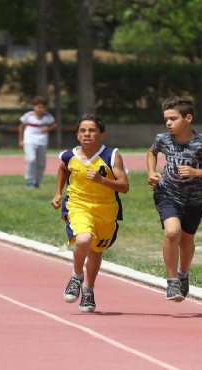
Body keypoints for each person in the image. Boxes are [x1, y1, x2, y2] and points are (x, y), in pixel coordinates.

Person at [147, 96, 202, 302]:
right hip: (167, 193)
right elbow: (152, 152)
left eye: (173, 119)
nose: (168, 123)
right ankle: (172, 280)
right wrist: (151, 171)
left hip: (196, 199)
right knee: (172, 232)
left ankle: (183, 274)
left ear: (188, 118)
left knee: (186, 241)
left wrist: (196, 172)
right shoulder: (163, 138)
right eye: (166, 119)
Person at [51, 114, 129, 313]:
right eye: (83, 131)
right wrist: (58, 193)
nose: (87, 134)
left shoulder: (111, 156)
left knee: (95, 251)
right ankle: (77, 277)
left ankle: (88, 290)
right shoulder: (69, 156)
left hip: (106, 209)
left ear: (101, 135)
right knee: (83, 239)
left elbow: (124, 186)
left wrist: (102, 181)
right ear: (77, 135)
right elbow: (63, 169)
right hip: (77, 205)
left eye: (92, 130)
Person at [18, 96, 57, 188]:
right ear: (34, 107)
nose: (41, 109)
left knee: (41, 163)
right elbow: (21, 127)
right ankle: (29, 180)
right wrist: (20, 140)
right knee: (31, 159)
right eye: (38, 107)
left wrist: (48, 128)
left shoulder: (48, 117)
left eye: (43, 107)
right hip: (29, 140)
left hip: (42, 141)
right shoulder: (28, 116)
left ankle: (37, 181)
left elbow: (54, 125)